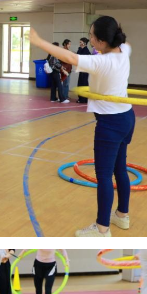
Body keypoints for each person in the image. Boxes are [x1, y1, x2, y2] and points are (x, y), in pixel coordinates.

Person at [30, 17, 135, 237]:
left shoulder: (101, 62)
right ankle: (122, 215)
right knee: (120, 169)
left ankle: (102, 229)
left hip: (109, 123)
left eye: (92, 36)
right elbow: (123, 44)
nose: (90, 39)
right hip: (126, 117)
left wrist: (39, 42)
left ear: (102, 41)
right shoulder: (123, 51)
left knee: (104, 176)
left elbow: (69, 57)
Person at [76, 37, 91, 103]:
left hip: (85, 70)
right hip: (81, 70)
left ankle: (83, 98)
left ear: (84, 43)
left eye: (81, 42)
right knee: (80, 83)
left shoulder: (86, 51)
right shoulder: (80, 49)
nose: (80, 43)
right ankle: (81, 98)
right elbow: (77, 56)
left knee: (84, 84)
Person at [59, 39, 72, 103]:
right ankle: (64, 97)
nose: (70, 45)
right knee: (65, 84)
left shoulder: (67, 51)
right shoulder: (63, 51)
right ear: (65, 44)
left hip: (68, 69)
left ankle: (65, 96)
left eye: (70, 44)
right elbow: (62, 60)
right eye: (69, 44)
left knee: (66, 84)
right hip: (65, 70)